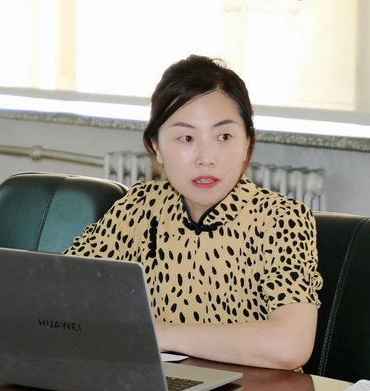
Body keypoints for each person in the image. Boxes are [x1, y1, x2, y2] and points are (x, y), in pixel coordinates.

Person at [64, 55, 322, 370]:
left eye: (223, 137)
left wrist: (162, 334)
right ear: (157, 147)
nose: (206, 157)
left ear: (247, 144)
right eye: (186, 137)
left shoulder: (281, 219)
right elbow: (62, 290)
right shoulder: (140, 206)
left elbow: (290, 346)